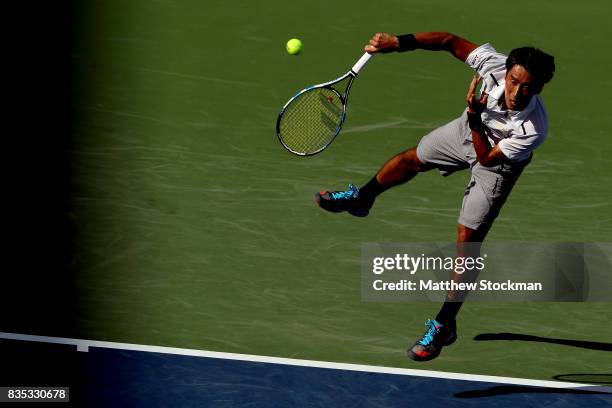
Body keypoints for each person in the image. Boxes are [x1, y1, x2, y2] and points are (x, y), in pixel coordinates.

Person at [314, 32, 555, 361]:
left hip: (497, 164)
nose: (517, 92)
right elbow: (448, 41)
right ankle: (363, 199)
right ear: (506, 71)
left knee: (466, 243)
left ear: (539, 87)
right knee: (410, 160)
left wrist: (473, 114)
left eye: (527, 86)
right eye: (513, 81)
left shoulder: (534, 129)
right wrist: (398, 43)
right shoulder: (492, 64)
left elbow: (487, 159)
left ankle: (445, 324)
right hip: (466, 130)